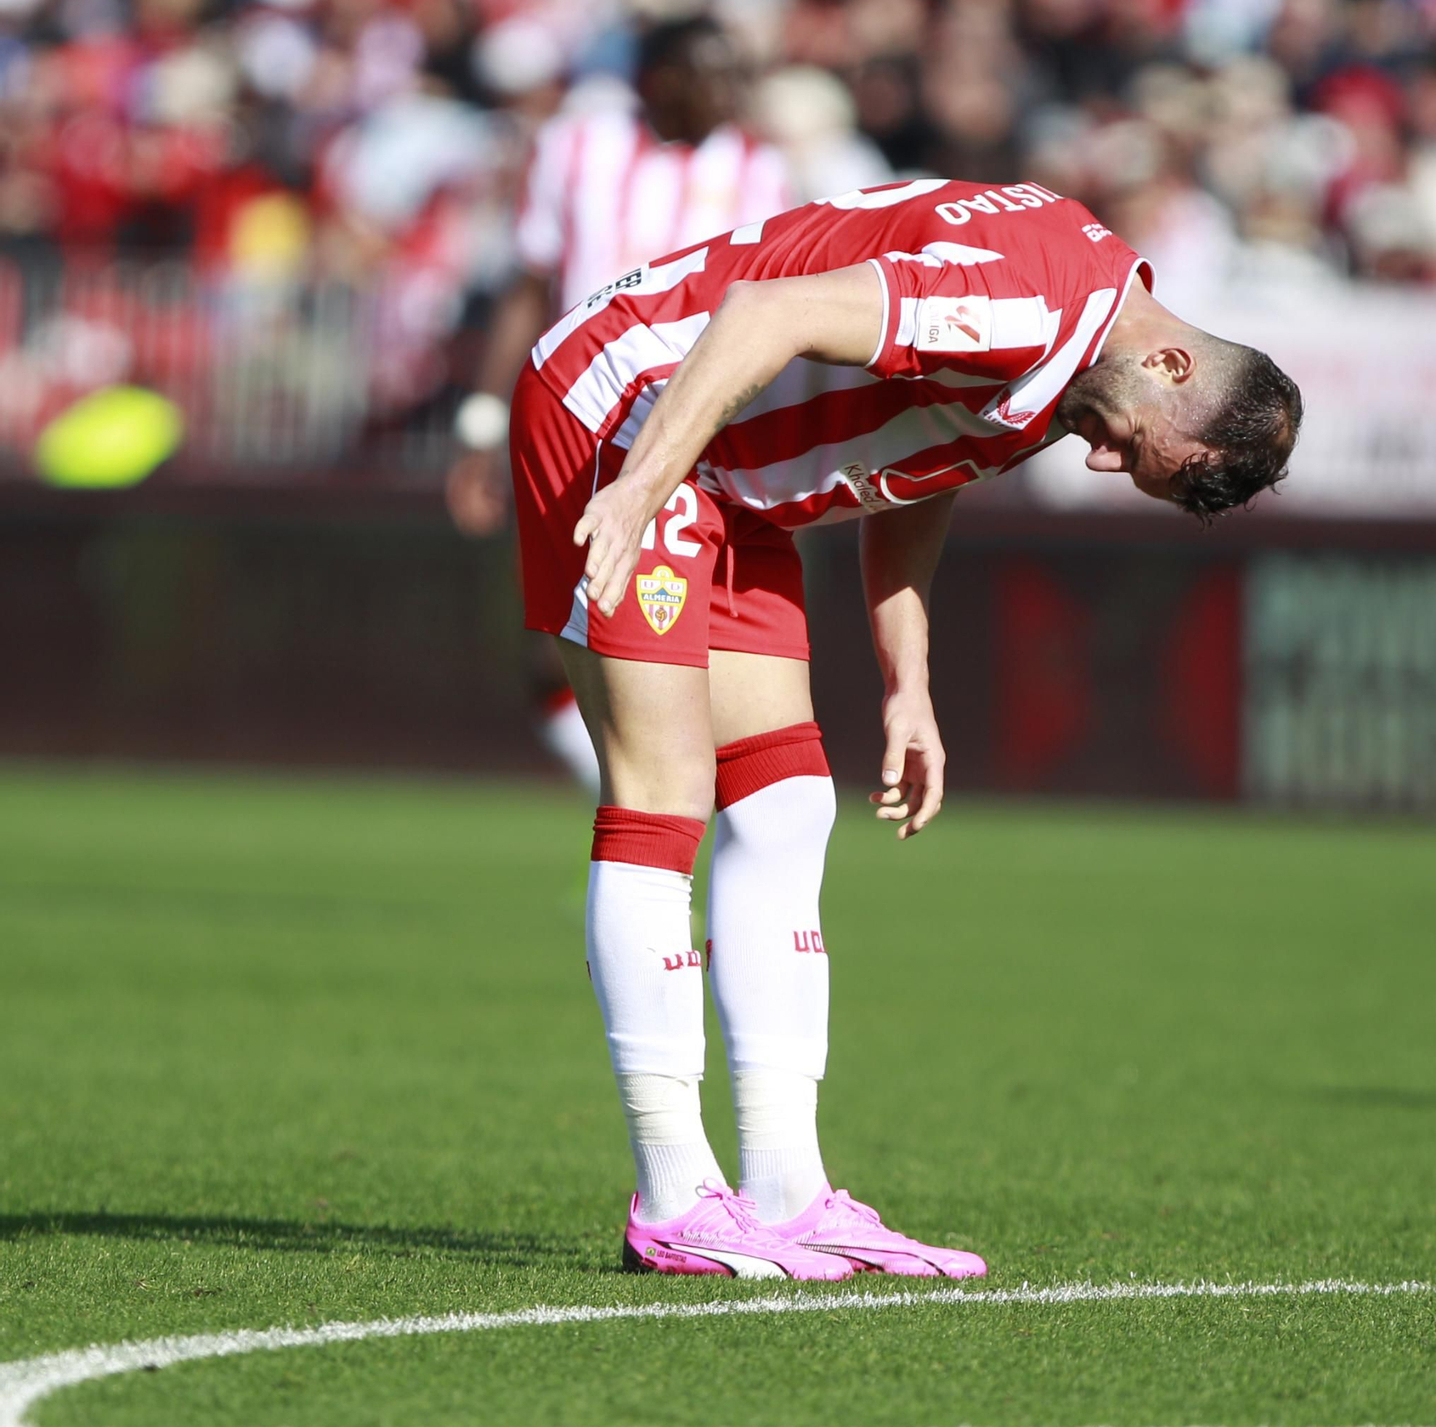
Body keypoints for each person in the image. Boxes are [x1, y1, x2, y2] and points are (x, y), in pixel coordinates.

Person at [509, 175, 1301, 1280]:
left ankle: (784, 1190)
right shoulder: (1034, 306)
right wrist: (641, 485)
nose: (1103, 462)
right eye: (1135, 451)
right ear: (1172, 365)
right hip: (630, 410)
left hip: (726, 475)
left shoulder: (1081, 354)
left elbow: (928, 454)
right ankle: (673, 1193)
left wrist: (907, 681)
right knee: (664, 789)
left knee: (785, 809)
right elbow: (762, 315)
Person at [447, 17, 791, 785]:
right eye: (714, 74)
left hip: (694, 427)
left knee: (697, 645)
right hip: (576, 417)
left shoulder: (760, 169)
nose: (730, 94)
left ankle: (661, 821)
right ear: (662, 78)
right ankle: (638, 811)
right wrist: (481, 426)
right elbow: (528, 287)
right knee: (555, 644)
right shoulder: (577, 148)